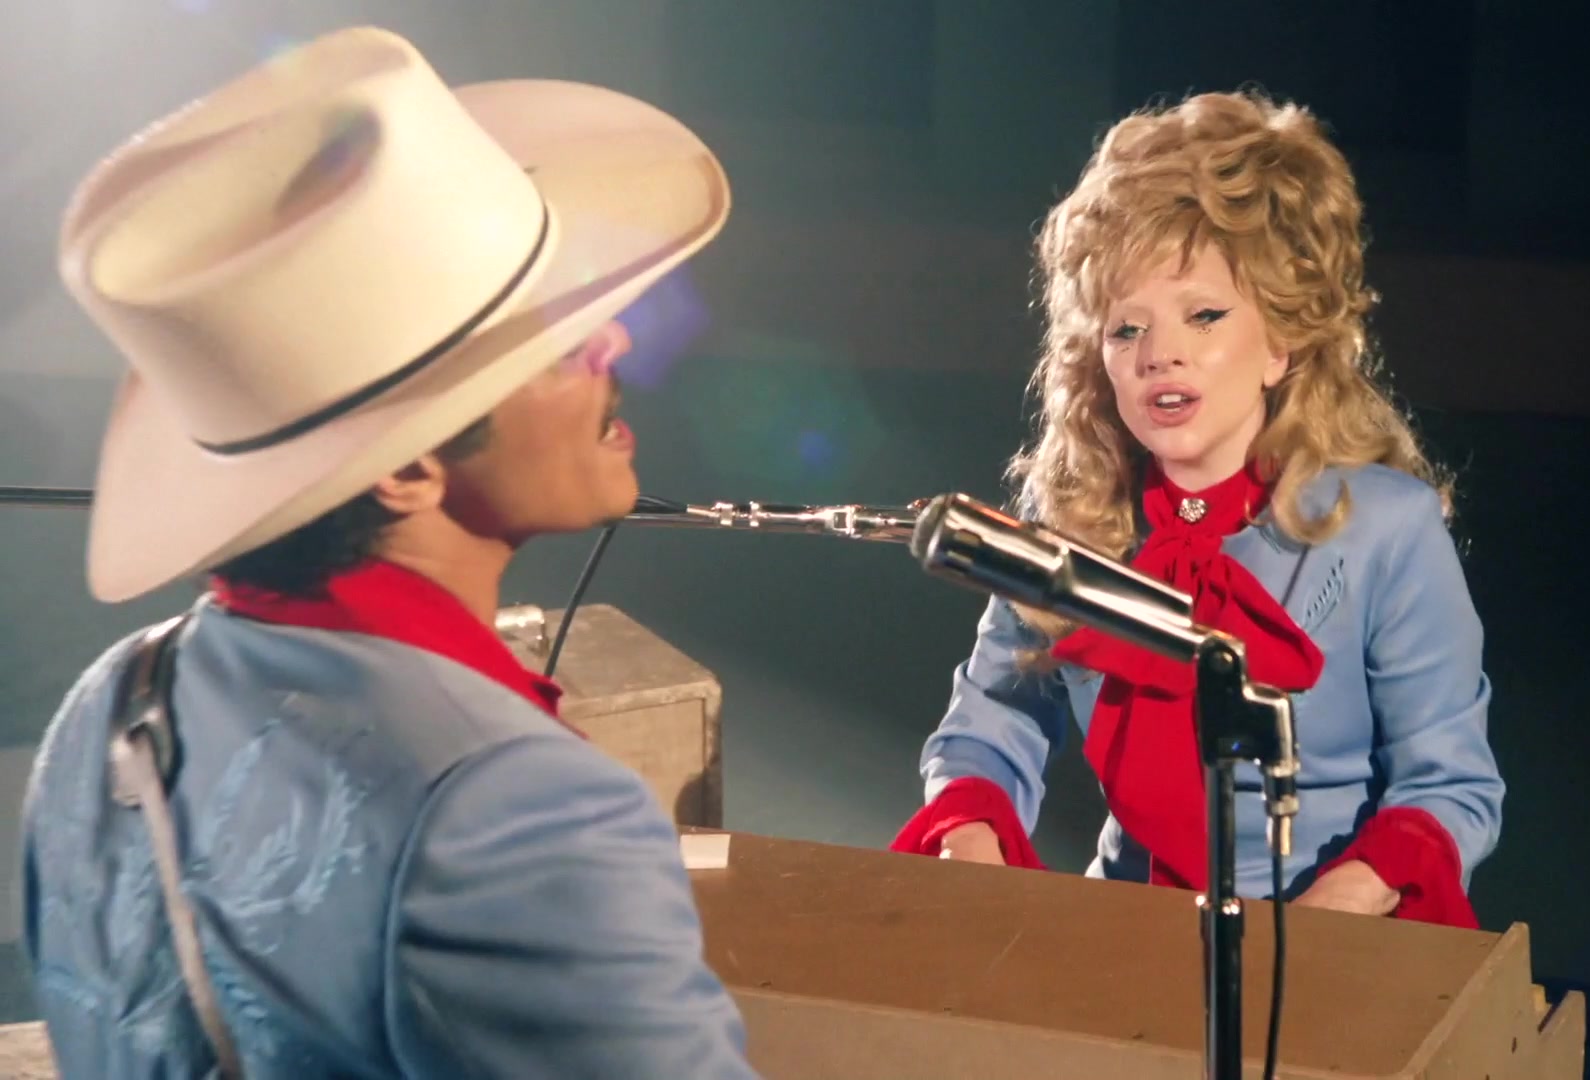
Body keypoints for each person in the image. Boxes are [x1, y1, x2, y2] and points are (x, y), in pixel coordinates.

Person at [19, 26, 761, 1078]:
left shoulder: (108, 704)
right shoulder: (524, 811)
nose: (616, 342)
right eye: (555, 340)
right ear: (408, 467)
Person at [891, 90, 1504, 927]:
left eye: (1204, 316)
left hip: (1330, 939)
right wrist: (972, 843)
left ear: (1280, 341)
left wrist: (1322, 927)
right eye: (1126, 330)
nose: (1160, 355)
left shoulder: (1389, 528)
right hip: (1124, 934)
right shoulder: (1070, 517)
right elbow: (989, 725)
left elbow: (1451, 786)